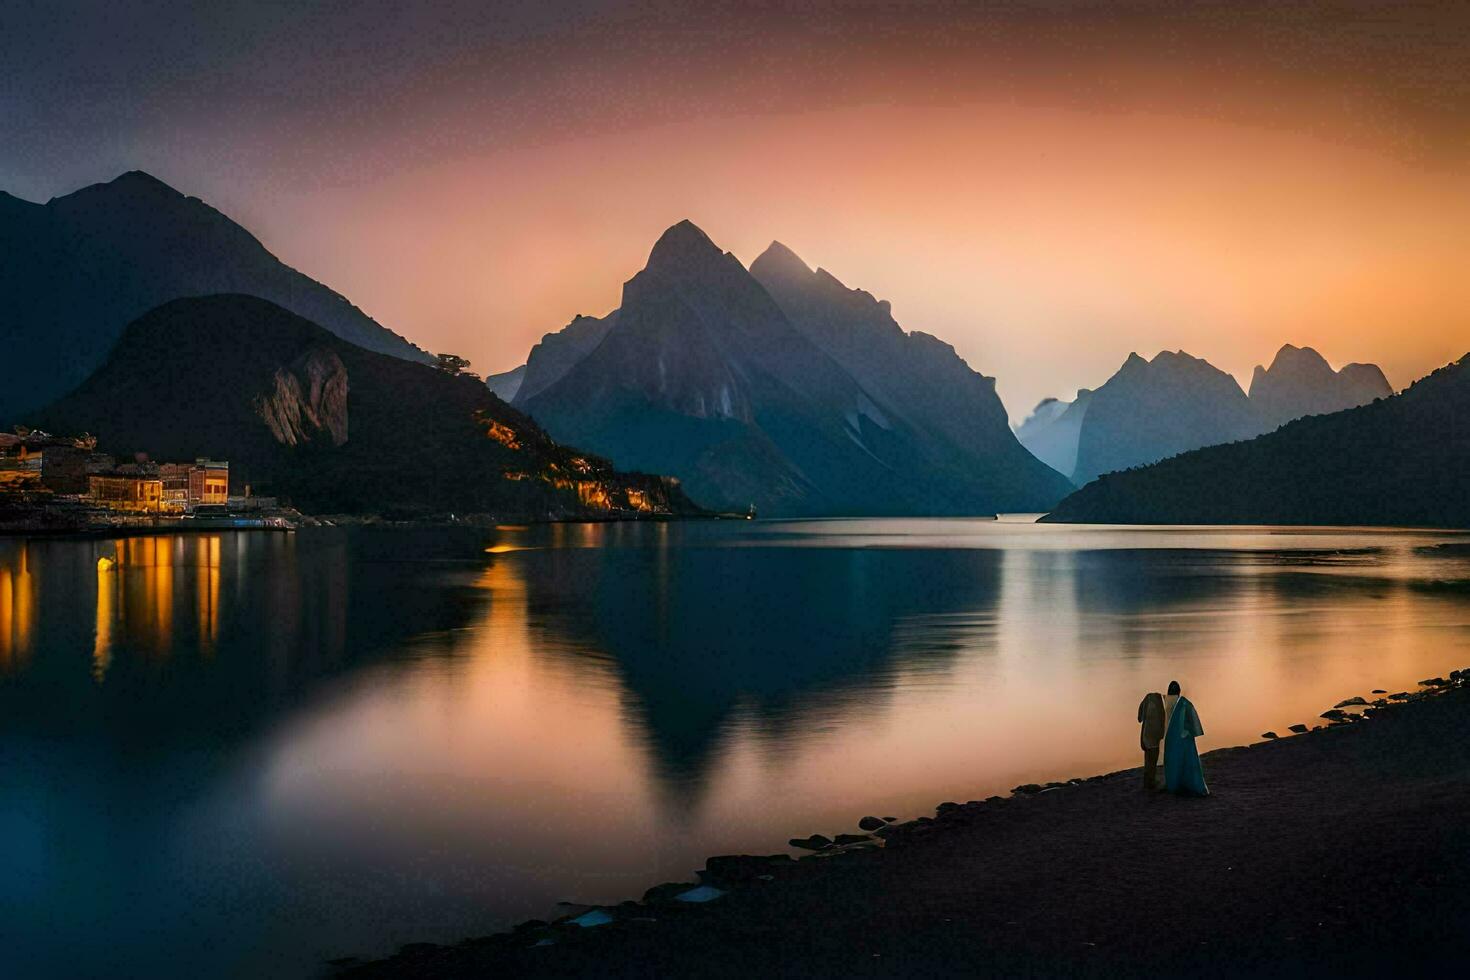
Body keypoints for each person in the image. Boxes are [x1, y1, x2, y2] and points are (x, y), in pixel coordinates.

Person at [1161, 680, 1209, 797]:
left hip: (1172, 739)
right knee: (1185, 762)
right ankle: (1183, 784)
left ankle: (1174, 784)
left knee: (1174, 761)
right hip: (1182, 739)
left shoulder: (1167, 702)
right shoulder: (1183, 704)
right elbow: (1191, 722)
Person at [1137, 690, 1165, 790]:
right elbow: (1163, 719)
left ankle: (1147, 782)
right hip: (1154, 736)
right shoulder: (1159, 701)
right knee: (1152, 759)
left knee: (1148, 759)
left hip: (1146, 735)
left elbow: (1139, 718)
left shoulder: (1146, 700)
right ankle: (1150, 782)